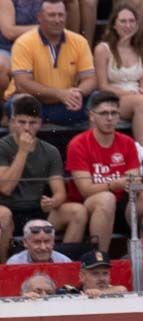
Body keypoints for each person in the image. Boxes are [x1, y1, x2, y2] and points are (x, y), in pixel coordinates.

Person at [66, 91, 143, 252]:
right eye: (104, 113)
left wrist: (131, 182)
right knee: (106, 199)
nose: (109, 118)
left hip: (123, 205)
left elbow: (134, 179)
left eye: (114, 113)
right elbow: (85, 189)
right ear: (92, 116)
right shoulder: (78, 144)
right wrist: (114, 184)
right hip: (90, 206)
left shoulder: (127, 142)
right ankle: (100, 258)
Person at [0, 94, 86, 261]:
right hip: (8, 209)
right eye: (21, 122)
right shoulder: (3, 146)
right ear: (12, 121)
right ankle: (3, 269)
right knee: (2, 215)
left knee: (78, 211)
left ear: (40, 123)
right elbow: (5, 188)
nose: (27, 128)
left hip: (39, 209)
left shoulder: (50, 151)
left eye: (32, 123)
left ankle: (62, 264)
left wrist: (54, 201)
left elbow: (60, 191)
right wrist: (23, 151)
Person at [92, 2, 143, 150]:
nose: (128, 25)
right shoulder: (103, 49)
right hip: (113, 96)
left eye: (132, 21)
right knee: (141, 101)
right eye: (123, 21)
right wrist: (130, 93)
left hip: (137, 94)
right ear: (114, 25)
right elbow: (103, 86)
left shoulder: (142, 49)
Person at [7, 0, 96, 124]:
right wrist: (59, 94)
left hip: (67, 101)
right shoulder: (24, 43)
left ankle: (87, 140)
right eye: (52, 15)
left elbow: (90, 79)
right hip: (35, 100)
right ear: (39, 17)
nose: (57, 20)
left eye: (61, 15)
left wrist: (79, 92)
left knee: (97, 100)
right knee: (23, 103)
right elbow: (22, 84)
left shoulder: (79, 42)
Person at [0, 0, 41, 98]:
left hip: (37, 49)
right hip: (8, 49)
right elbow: (9, 32)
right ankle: (2, 105)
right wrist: (41, 28)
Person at [6, 217, 71, 262]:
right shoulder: (15, 263)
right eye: (37, 242)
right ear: (25, 242)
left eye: (47, 241)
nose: (43, 247)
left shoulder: (64, 261)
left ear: (53, 241)